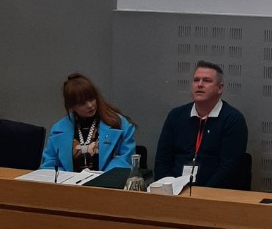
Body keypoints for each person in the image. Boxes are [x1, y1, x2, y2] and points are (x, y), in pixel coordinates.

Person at [154, 60, 248, 189]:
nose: (199, 84)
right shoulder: (176, 116)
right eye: (196, 80)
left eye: (207, 81)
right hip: (174, 192)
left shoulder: (233, 119)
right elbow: (162, 161)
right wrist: (168, 189)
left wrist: (202, 194)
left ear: (220, 88)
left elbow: (228, 169)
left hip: (213, 194)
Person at [41, 73, 136, 172]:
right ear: (72, 106)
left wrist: (101, 177)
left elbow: (126, 159)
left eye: (92, 98)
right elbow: (48, 166)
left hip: (107, 179)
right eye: (82, 103)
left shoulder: (119, 123)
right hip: (70, 181)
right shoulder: (58, 129)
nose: (90, 105)